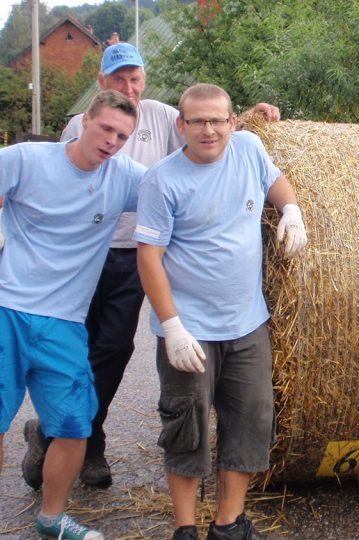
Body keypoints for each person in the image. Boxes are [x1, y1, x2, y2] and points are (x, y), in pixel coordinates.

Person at [21, 42, 281, 490]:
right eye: (119, 80)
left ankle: (86, 441)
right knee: (69, 350)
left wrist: (254, 119)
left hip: (134, 253)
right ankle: (51, 432)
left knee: (113, 350)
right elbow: (65, 184)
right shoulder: (77, 126)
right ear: (102, 83)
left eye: (135, 78)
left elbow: (206, 127)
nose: (129, 87)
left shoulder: (162, 115)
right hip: (84, 253)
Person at [0, 90, 147, 540]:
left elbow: (180, 188)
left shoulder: (125, 176)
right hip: (0, 307)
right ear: (85, 120)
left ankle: (51, 518)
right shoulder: (30, 159)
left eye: (122, 135)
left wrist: (240, 135)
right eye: (105, 128)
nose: (111, 141)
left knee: (75, 424)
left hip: (64, 318)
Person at [134, 83, 307, 540]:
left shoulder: (249, 148)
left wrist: (291, 210)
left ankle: (229, 524)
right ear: (181, 126)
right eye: (197, 121)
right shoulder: (162, 180)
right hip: (189, 330)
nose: (208, 130)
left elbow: (275, 180)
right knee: (185, 427)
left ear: (233, 122)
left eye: (217, 120)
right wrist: (171, 327)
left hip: (248, 324)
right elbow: (148, 256)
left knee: (249, 422)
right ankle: (185, 528)